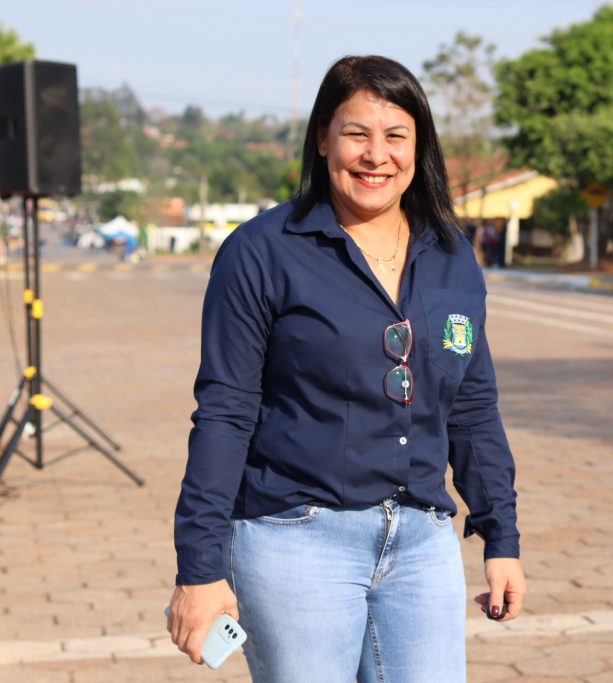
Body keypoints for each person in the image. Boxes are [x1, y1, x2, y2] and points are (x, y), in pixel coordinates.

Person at [167, 56, 526, 683]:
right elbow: (224, 411)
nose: (375, 155)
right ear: (322, 139)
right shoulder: (261, 251)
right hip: (295, 541)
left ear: (420, 147)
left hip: (423, 540)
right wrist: (200, 567)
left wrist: (501, 536)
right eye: (356, 133)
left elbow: (471, 403)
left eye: (395, 136)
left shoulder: (450, 254)